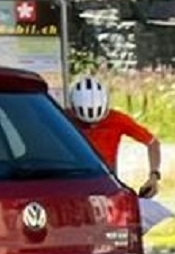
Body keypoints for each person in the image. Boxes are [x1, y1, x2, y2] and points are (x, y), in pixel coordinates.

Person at [67, 76, 165, 222]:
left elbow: (152, 143)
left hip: (108, 181)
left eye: (99, 122)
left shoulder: (118, 120)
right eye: (85, 124)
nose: (93, 127)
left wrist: (153, 176)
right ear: (74, 110)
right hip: (73, 182)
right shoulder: (61, 118)